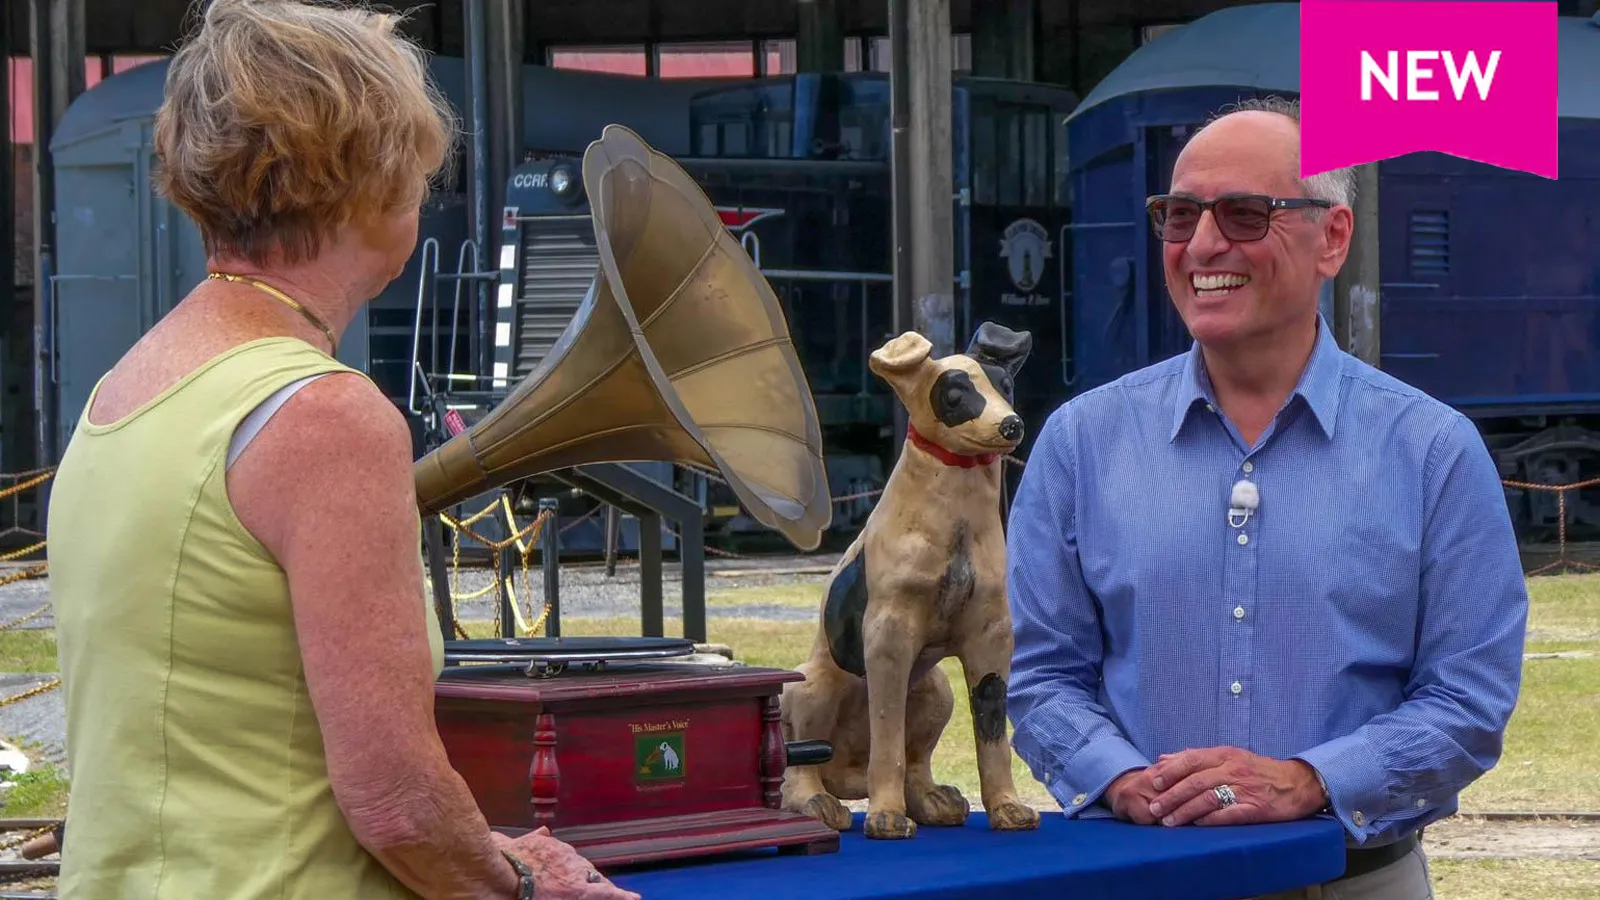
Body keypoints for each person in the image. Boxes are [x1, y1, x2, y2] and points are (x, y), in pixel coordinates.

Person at [44, 2, 638, 899]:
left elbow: (228, 748)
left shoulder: (122, 386)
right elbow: (394, 804)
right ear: (375, 181)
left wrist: (487, 850)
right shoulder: (329, 417)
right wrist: (521, 888)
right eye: (422, 171)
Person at [1004, 96, 1529, 899]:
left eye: (1245, 214)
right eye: (1180, 215)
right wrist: (1121, 780)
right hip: (1140, 877)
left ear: (1333, 238)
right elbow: (1039, 675)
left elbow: (1470, 699)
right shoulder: (1082, 445)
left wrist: (1308, 781)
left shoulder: (1431, 452)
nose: (1203, 244)